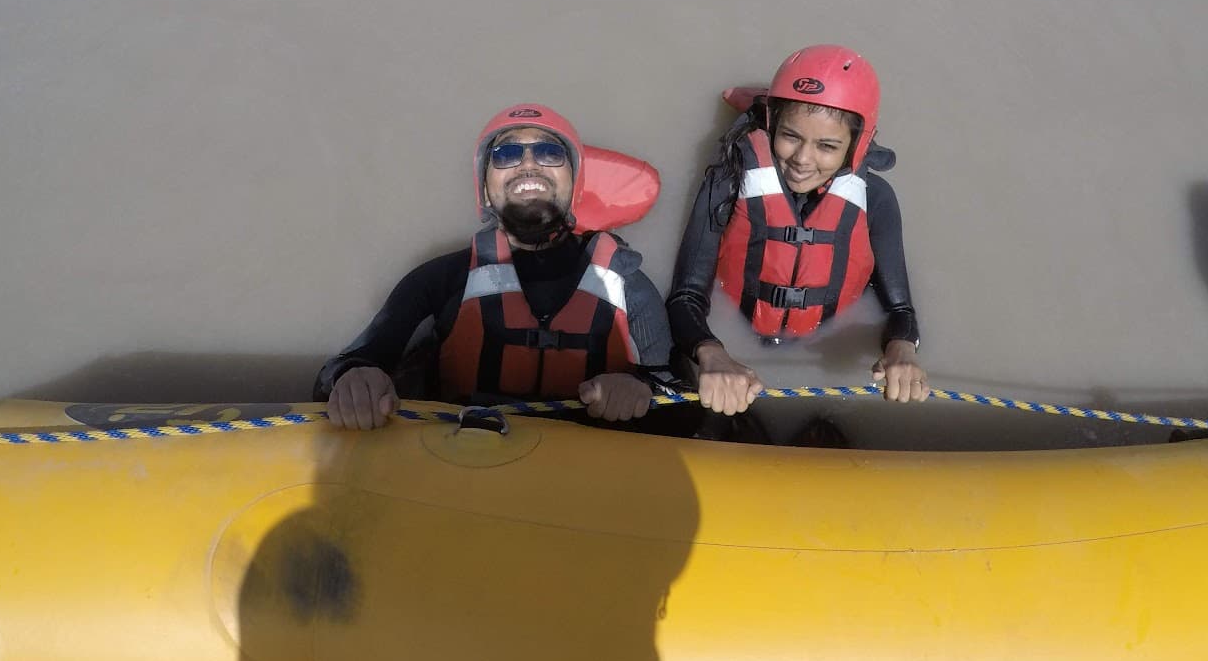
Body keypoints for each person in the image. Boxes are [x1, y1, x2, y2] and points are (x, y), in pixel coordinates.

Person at [318, 104, 673, 428]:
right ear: (485, 191)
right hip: (464, 474)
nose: (529, 163)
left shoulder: (629, 285)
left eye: (550, 152)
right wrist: (355, 377)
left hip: (592, 479)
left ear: (575, 187)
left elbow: (679, 398)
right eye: (507, 154)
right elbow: (335, 372)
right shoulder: (439, 280)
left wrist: (640, 387)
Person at [666, 45, 930, 424]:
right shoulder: (728, 182)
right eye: (790, 136)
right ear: (771, 123)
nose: (803, 159)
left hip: (823, 367)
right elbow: (685, 296)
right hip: (732, 359)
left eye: (827, 146)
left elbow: (900, 310)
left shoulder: (877, 200)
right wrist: (711, 352)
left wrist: (902, 349)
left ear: (855, 147)